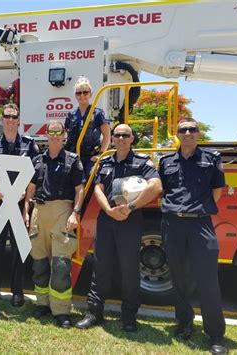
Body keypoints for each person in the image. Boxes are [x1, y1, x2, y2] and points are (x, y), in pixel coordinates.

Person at [75, 124, 162, 331]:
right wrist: (108, 210)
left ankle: (129, 317)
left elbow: (156, 186)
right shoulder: (105, 162)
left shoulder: (142, 162)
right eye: (117, 135)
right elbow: (98, 188)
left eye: (126, 135)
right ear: (112, 138)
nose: (121, 138)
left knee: (129, 269)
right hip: (106, 219)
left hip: (130, 220)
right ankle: (94, 313)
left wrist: (130, 207)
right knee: (101, 266)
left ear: (132, 138)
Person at [159, 118, 227, 354]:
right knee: (178, 278)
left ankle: (216, 334)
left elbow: (217, 190)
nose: (187, 133)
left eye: (192, 129)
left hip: (200, 224)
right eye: (182, 130)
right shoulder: (166, 161)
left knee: (207, 280)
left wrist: (199, 209)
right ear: (177, 134)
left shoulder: (211, 159)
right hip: (172, 224)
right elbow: (164, 188)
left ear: (198, 133)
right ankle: (184, 323)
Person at [23, 121, 85, 328]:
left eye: (59, 133)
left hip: (62, 212)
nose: (55, 136)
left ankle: (61, 310)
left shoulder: (72, 160)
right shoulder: (37, 160)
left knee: (60, 266)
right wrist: (26, 210)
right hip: (39, 213)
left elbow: (79, 189)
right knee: (39, 264)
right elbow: (31, 188)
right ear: (47, 135)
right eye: (52, 133)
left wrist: (75, 213)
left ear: (64, 135)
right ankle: (43, 304)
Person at [0, 103, 40, 307]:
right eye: (7, 116)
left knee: (18, 248)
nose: (10, 119)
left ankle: (18, 292)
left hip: (19, 203)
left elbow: (36, 173)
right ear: (2, 119)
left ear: (18, 120)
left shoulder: (29, 145)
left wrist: (25, 192)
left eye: (14, 116)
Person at [64, 76, 111, 176]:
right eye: (78, 93)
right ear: (75, 95)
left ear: (91, 94)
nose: (82, 95)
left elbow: (107, 136)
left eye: (85, 92)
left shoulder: (98, 113)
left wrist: (100, 155)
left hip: (91, 157)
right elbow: (67, 138)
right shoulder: (71, 115)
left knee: (92, 176)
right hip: (74, 156)